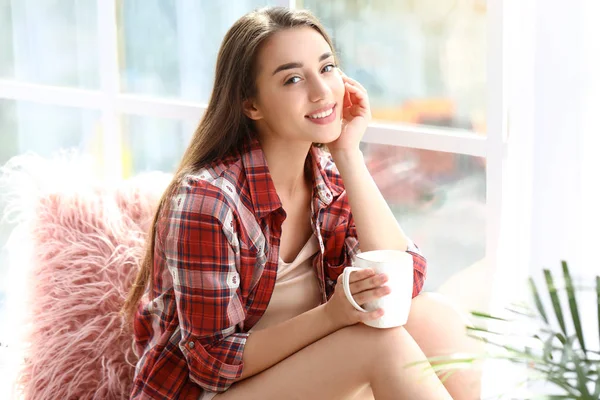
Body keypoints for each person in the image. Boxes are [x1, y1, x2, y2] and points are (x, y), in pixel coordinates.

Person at [122, 6, 481, 400]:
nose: (321, 91)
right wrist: (331, 316)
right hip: (211, 392)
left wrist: (348, 153)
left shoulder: (327, 176)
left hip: (298, 374)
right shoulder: (207, 202)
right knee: (381, 344)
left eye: (326, 68)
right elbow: (211, 363)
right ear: (251, 104)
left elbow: (403, 281)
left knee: (436, 318)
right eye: (293, 78)